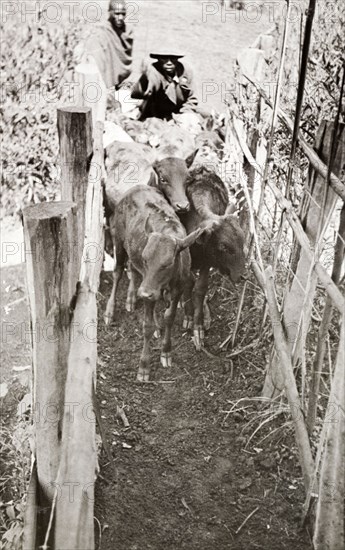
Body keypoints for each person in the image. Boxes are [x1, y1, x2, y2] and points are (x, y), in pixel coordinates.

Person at [75, 0, 133, 91]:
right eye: (117, 14)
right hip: (105, 84)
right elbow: (95, 60)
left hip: (122, 83)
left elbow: (126, 62)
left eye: (123, 13)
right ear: (110, 13)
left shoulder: (127, 32)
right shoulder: (101, 33)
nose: (121, 17)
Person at [131, 50, 199, 121]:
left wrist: (185, 114)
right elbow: (141, 92)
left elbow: (192, 98)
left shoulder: (185, 72)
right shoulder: (153, 71)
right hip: (155, 115)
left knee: (199, 119)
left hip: (180, 112)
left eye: (173, 59)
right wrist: (144, 79)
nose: (169, 63)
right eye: (164, 59)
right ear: (158, 60)